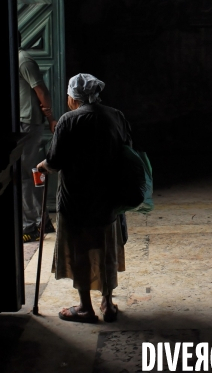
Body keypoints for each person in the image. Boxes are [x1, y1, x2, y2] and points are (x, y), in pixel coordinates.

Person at [37, 73, 131, 323]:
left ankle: (85, 308)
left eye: (68, 94)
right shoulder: (115, 115)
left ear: (74, 97)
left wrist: (43, 166)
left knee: (82, 251)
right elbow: (127, 150)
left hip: (77, 199)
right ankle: (108, 304)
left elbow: (55, 161)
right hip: (110, 198)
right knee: (106, 248)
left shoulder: (69, 121)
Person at [19, 32, 57, 242]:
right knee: (26, 174)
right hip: (21, 123)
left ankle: (34, 224)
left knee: (29, 174)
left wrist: (51, 117)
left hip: (27, 123)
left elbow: (41, 90)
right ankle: (41, 221)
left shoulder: (23, 59)